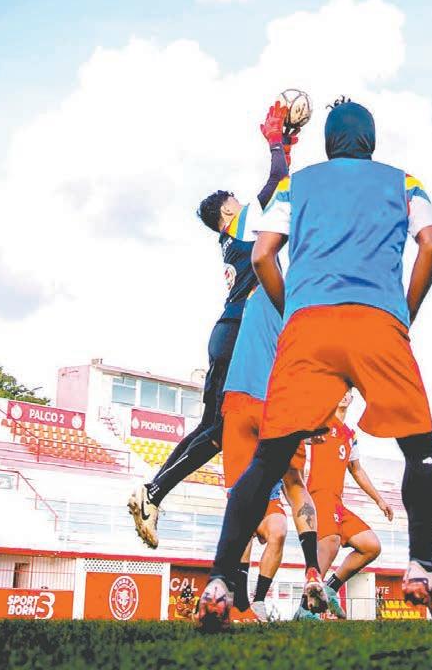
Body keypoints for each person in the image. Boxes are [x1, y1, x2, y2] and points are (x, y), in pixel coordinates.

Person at [196, 96, 432, 631]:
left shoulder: (298, 185)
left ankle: (220, 581)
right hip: (378, 322)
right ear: (371, 141)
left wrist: (291, 308)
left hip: (309, 326)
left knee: (267, 462)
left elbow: (263, 254)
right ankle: (422, 568)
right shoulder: (405, 182)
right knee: (420, 451)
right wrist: (404, 314)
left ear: (329, 142)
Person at [129, 100, 296, 548]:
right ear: (227, 213)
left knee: (218, 429)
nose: (244, 202)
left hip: (232, 333)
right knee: (220, 428)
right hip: (237, 334)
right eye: (236, 201)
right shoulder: (241, 226)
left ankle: (155, 493)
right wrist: (275, 142)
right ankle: (154, 493)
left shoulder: (237, 235)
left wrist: (286, 147)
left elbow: (280, 191)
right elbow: (278, 184)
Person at [219, 283, 321, 621]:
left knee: (274, 526)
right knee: (282, 488)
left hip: (254, 399)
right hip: (270, 401)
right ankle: (240, 602)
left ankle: (254, 601)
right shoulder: (302, 299)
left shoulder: (257, 290)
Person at [310, 390, 395, 619]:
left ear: (352, 399)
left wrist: (379, 499)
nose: (343, 395)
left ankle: (330, 589)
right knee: (330, 543)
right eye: (339, 390)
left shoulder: (350, 435)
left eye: (348, 392)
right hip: (320, 494)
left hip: (337, 501)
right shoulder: (322, 420)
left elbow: (357, 470)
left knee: (371, 546)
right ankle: (306, 607)